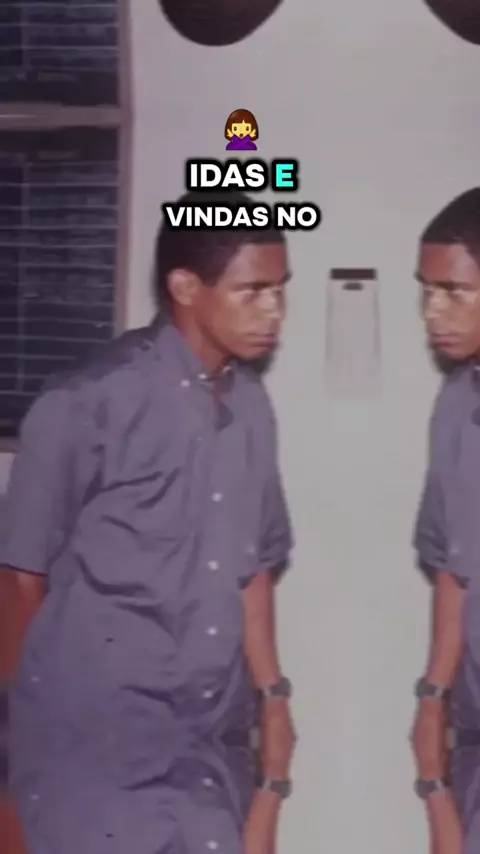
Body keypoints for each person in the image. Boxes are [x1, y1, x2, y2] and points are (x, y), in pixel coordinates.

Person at [0, 190, 296, 854]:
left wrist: (274, 699)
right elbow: (18, 582)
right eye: (253, 291)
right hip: (89, 752)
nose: (275, 310)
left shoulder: (252, 406)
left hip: (209, 746)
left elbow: (253, 571)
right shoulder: (86, 402)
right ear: (186, 288)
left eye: (281, 290)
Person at [412, 187, 480, 854]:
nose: (433, 311)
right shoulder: (457, 402)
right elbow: (454, 568)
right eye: (427, 291)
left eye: (454, 292)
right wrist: (433, 697)